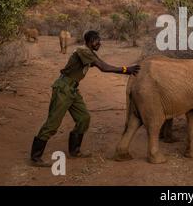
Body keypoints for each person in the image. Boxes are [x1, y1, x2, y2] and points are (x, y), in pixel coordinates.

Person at [30, 30, 140, 167]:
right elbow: (104, 68)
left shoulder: (89, 53)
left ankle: (74, 151)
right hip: (63, 89)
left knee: (83, 118)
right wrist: (125, 69)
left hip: (72, 90)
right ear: (89, 41)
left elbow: (103, 64)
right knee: (52, 123)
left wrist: (125, 70)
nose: (99, 43)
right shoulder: (83, 51)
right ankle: (35, 157)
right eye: (97, 40)